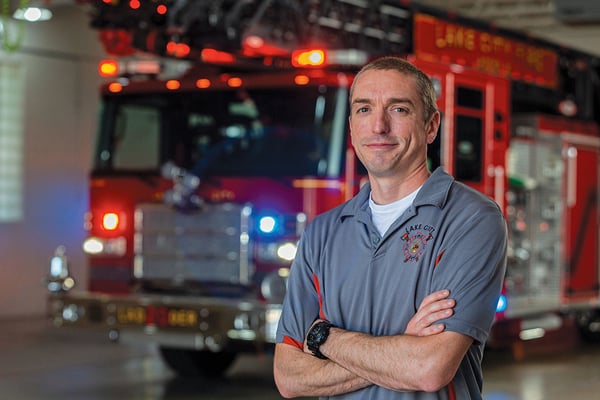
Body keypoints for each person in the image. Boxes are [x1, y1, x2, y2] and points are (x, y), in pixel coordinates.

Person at [273, 56, 507, 399]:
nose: (378, 126)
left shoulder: (472, 220)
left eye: (399, 109)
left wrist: (324, 338)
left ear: (431, 126)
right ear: (351, 126)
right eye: (364, 110)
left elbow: (428, 369)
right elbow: (289, 378)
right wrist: (401, 350)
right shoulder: (321, 234)